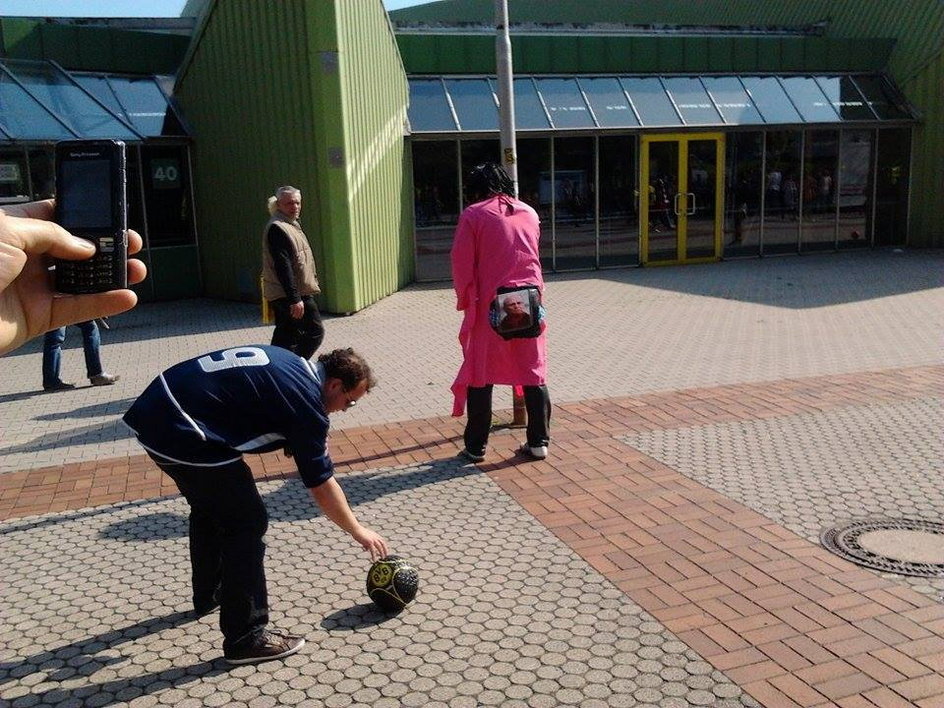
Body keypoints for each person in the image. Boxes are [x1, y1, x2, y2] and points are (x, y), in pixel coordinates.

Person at [122, 345, 387, 665]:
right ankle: (246, 637)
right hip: (182, 429)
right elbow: (321, 484)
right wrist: (358, 530)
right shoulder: (307, 404)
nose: (346, 409)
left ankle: (211, 594)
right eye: (350, 401)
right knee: (247, 521)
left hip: (157, 410)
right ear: (333, 384)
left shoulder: (291, 362)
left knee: (212, 507)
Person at [450, 162, 551, 463]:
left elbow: (461, 262)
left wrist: (465, 299)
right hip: (531, 304)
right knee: (534, 371)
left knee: (481, 375)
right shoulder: (529, 212)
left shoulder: (474, 215)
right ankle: (539, 442)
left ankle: (476, 446)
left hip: (491, 306)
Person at [0, 200, 145, 357]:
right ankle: (74, 375)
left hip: (56, 296)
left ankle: (67, 376)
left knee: (65, 336)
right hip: (56, 295)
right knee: (68, 335)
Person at [261, 186, 324, 359]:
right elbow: (283, 265)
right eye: (289, 203)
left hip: (290, 293)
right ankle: (293, 369)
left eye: (297, 202)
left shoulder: (289, 225)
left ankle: (276, 369)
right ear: (278, 205)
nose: (294, 206)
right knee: (314, 332)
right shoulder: (278, 228)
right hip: (289, 294)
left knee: (286, 335)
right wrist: (295, 298)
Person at [42, 319, 119, 391]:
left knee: (89, 326)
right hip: (63, 306)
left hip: (57, 306)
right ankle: (96, 374)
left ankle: (50, 381)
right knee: (54, 339)